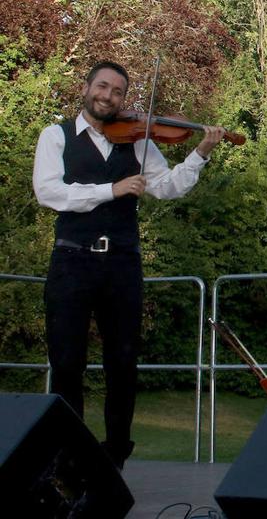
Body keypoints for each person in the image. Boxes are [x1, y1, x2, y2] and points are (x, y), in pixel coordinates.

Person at [32, 61, 226, 469]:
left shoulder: (137, 141)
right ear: (87, 88)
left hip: (121, 263)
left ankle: (115, 456)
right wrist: (112, 189)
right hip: (71, 260)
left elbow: (168, 188)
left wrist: (200, 153)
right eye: (102, 86)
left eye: (118, 91)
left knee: (122, 363)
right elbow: (49, 192)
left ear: (124, 98)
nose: (108, 96)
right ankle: (70, 456)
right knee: (67, 362)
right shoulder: (56, 136)